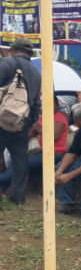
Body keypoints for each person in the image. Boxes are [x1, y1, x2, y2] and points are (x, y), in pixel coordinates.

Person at [0, 38, 41, 204]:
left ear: (12, 49)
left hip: (2, 120)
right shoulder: (36, 72)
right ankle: (18, 197)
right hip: (22, 124)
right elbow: (37, 104)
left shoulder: (7, 63)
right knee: (20, 160)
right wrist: (29, 124)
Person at [0, 96, 67, 193]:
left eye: (51, 103)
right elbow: (31, 133)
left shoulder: (60, 118)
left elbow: (54, 136)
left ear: (57, 105)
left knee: (24, 163)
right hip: (40, 151)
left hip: (55, 154)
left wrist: (39, 128)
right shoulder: (44, 117)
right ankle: (4, 187)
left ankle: (2, 181)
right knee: (17, 160)